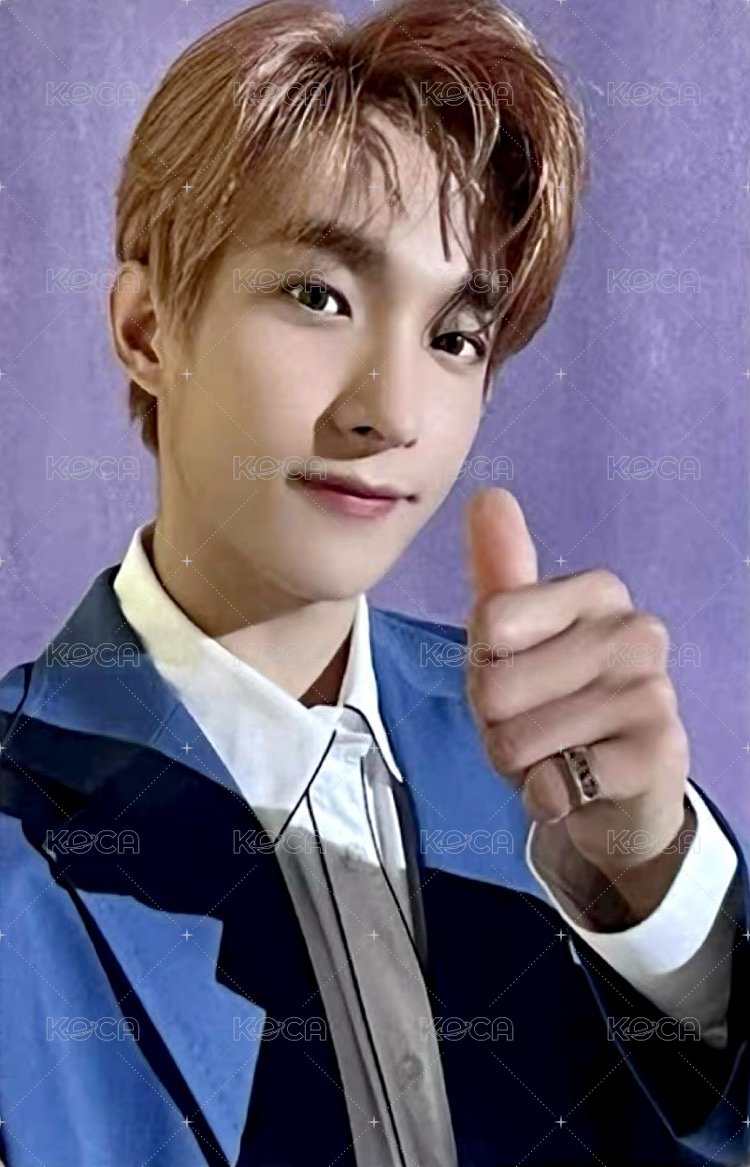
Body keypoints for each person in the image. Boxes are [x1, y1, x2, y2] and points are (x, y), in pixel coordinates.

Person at [0, 0, 748, 1164]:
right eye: (319, 296)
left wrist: (660, 888)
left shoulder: (557, 757)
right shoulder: (20, 823)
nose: (392, 413)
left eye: (454, 337)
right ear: (148, 329)